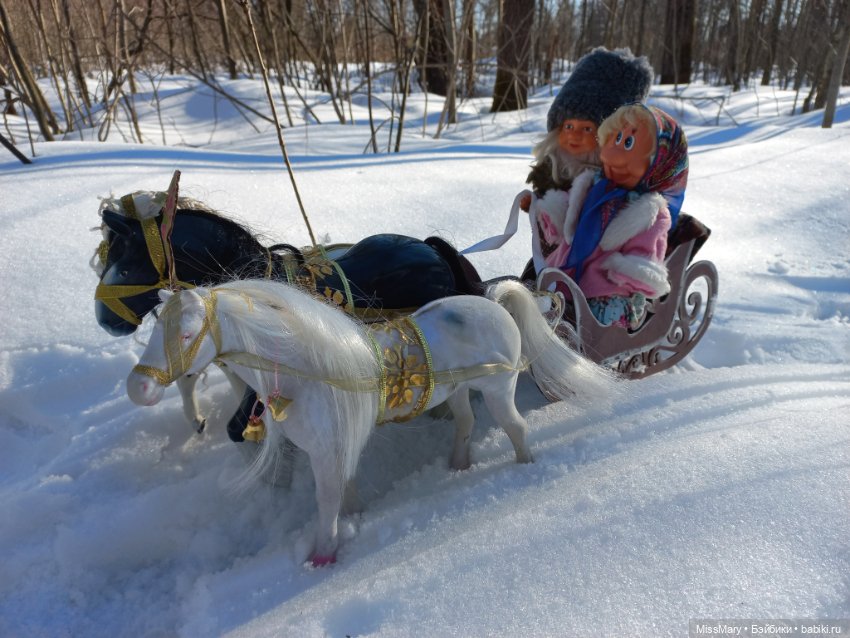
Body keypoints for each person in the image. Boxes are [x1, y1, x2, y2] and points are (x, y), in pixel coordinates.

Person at [541, 103, 689, 329]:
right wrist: (549, 214)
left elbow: (643, 259)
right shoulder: (592, 187)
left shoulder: (650, 214)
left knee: (582, 320)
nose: (611, 153)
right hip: (562, 279)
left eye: (628, 143)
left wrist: (620, 273)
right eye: (616, 139)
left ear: (659, 164)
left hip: (604, 294)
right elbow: (567, 218)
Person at [522, 47, 654, 272]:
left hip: (596, 268)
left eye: (586, 128)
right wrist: (534, 202)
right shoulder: (554, 166)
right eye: (568, 126)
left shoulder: (614, 178)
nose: (574, 135)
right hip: (553, 262)